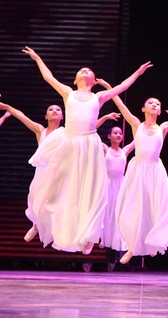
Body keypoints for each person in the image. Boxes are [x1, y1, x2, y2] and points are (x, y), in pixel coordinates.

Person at [21, 47, 150, 254]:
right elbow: (48, 77)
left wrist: (138, 72)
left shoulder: (98, 97)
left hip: (89, 144)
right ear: (75, 80)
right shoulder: (68, 93)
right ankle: (41, 223)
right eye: (81, 70)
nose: (84, 70)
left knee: (91, 190)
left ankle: (88, 235)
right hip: (69, 142)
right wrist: (37, 58)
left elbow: (122, 86)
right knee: (56, 184)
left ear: (93, 80)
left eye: (88, 70)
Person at [98, 79, 168, 264]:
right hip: (138, 169)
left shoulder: (162, 128)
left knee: (156, 208)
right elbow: (121, 105)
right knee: (134, 207)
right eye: (151, 103)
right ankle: (132, 247)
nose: (155, 105)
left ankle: (153, 243)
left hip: (155, 171)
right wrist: (109, 88)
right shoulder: (136, 124)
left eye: (158, 104)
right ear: (144, 109)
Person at [0, 101, 118, 245]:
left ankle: (64, 232)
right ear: (46, 116)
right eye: (51, 109)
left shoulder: (67, 133)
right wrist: (7, 107)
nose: (55, 111)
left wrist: (104, 117)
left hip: (60, 172)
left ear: (63, 116)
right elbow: (22, 117)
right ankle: (36, 225)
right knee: (36, 200)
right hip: (43, 171)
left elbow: (89, 127)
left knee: (59, 203)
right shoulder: (40, 130)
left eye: (58, 109)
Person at [100, 126, 134, 252]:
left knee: (119, 212)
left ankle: (120, 238)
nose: (118, 135)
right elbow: (92, 134)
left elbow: (139, 138)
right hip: (108, 184)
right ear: (109, 136)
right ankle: (104, 238)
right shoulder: (105, 149)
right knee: (106, 211)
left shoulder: (125, 150)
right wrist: (105, 117)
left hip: (121, 185)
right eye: (115, 133)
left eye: (120, 133)